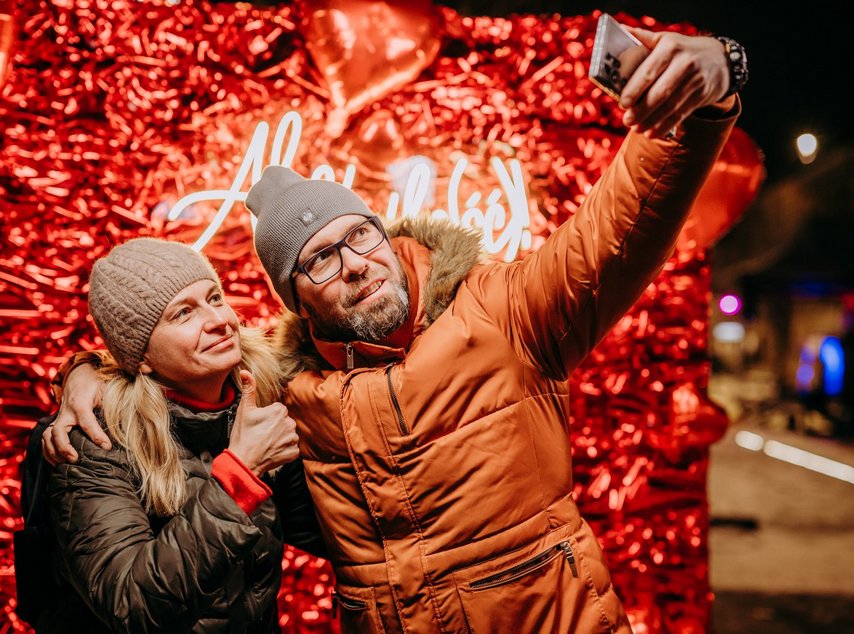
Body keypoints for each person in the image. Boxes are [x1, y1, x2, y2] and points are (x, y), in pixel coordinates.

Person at [47, 27, 746, 633]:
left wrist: (712, 89)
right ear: (295, 298)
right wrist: (82, 374)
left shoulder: (505, 312)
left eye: (361, 236)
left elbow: (620, 225)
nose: (357, 266)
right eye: (320, 259)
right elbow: (167, 372)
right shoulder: (288, 390)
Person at [41, 238, 323, 633]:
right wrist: (239, 475)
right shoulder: (95, 440)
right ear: (140, 357)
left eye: (214, 297)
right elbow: (129, 602)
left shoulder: (261, 392)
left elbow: (324, 529)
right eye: (183, 313)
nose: (217, 320)